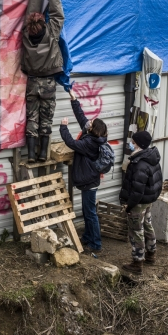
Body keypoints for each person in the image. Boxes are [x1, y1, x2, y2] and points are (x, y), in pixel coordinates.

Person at [21, 0, 65, 163]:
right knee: (46, 119)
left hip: (32, 82)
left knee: (32, 118)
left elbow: (30, 13)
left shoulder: (25, 33)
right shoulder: (51, 34)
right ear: (43, 25)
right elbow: (57, 15)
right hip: (48, 82)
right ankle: (42, 154)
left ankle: (30, 155)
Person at [60, 90, 108, 253]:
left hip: (90, 182)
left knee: (90, 213)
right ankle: (88, 237)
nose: (89, 122)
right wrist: (74, 99)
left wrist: (63, 127)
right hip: (89, 180)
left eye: (91, 122)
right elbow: (81, 116)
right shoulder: (93, 135)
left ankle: (95, 243)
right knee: (87, 212)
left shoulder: (89, 143)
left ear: (93, 129)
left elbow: (71, 143)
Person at [119, 130, 162, 274]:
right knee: (147, 225)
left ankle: (137, 263)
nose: (131, 144)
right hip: (148, 201)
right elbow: (158, 182)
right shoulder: (152, 157)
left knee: (136, 231)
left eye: (133, 142)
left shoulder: (139, 164)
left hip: (138, 203)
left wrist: (129, 206)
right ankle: (151, 255)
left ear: (138, 144)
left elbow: (137, 191)